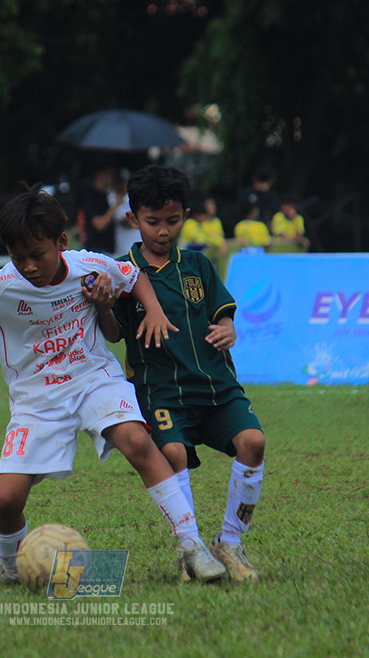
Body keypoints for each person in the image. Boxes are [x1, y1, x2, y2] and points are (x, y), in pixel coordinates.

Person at [0, 186, 229, 587]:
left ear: (61, 242)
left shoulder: (89, 265)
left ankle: (193, 547)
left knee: (137, 441)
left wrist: (152, 309)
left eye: (37, 255)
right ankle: (10, 569)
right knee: (6, 502)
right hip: (37, 401)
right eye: (19, 258)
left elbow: (133, 277)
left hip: (94, 380)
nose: (29, 266)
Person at [102, 165, 267, 583]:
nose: (163, 230)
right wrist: (103, 305)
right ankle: (190, 549)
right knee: (173, 454)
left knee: (254, 443)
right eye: (153, 221)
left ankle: (229, 542)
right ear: (132, 219)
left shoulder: (198, 265)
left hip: (216, 385)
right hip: (161, 391)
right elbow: (113, 333)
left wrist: (229, 329)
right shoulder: (121, 273)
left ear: (185, 216)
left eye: (172, 220)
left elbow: (224, 316)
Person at [75, 165, 116, 253]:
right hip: (97, 249)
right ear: (99, 175)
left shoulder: (107, 195)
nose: (111, 177)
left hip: (109, 248)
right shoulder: (91, 197)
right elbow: (99, 225)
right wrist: (115, 207)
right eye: (108, 174)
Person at [111, 168, 141, 256]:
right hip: (122, 249)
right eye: (122, 182)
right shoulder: (112, 198)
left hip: (138, 245)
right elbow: (127, 222)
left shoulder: (134, 198)